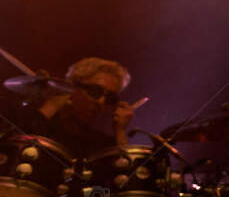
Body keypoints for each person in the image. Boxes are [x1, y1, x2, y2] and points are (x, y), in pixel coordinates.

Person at [3, 57, 137, 155]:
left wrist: (120, 131)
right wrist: (51, 107)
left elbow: (120, 174)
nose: (101, 102)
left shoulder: (98, 143)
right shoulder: (22, 118)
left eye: (110, 98)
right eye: (95, 91)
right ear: (72, 86)